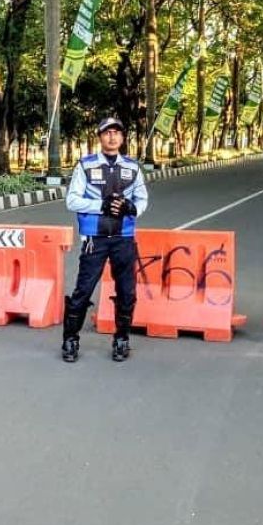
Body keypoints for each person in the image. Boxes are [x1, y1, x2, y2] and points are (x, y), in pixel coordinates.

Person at [61, 117, 149, 363]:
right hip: (94, 239)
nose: (112, 137)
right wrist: (102, 205)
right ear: (99, 137)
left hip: (124, 238)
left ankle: (122, 339)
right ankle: (70, 338)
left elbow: (142, 199)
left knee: (126, 292)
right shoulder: (85, 165)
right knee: (83, 290)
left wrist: (131, 207)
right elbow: (72, 200)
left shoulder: (132, 167)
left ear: (122, 138)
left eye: (116, 133)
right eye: (107, 133)